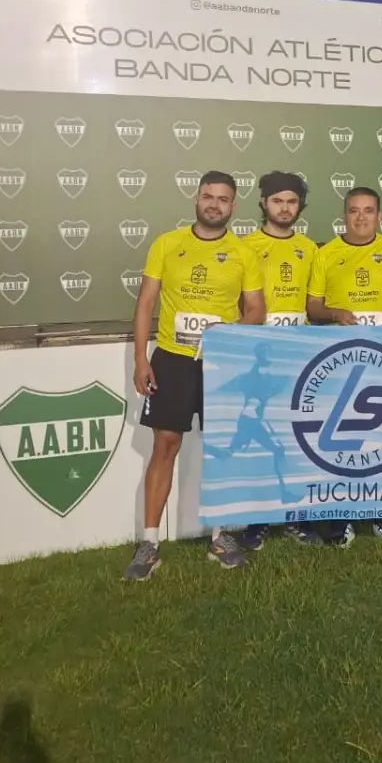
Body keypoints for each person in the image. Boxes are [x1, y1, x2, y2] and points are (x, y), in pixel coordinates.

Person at [123, 170, 265, 582]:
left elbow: (257, 309)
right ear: (196, 199)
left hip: (221, 364)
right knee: (164, 446)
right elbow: (146, 301)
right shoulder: (168, 244)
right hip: (171, 359)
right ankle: (149, 544)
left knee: (221, 449)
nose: (214, 204)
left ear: (233, 206)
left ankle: (221, 538)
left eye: (223, 199)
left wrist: (231, 330)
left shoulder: (243, 252)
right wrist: (140, 358)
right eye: (208, 196)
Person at [306, 186, 382, 546]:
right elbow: (313, 308)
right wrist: (335, 313)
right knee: (341, 442)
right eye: (354, 211)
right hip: (339, 362)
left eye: (369, 211)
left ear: (380, 217)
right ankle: (341, 519)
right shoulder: (327, 254)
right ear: (344, 215)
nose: (362, 217)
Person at [238, 171, 320, 550]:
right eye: (277, 201)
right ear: (263, 204)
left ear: (299, 206)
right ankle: (257, 520)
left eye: (291, 202)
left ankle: (297, 516)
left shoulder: (310, 249)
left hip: (299, 357)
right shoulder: (245, 246)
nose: (284, 208)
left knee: (297, 438)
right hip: (257, 358)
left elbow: (313, 306)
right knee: (259, 442)